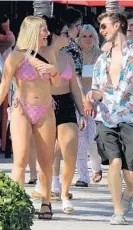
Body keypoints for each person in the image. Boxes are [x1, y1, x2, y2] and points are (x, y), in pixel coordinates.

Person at [86, 12, 133, 225]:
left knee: (129, 175)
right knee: (114, 162)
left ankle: (132, 190)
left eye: (104, 26)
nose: (101, 30)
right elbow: (98, 89)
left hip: (131, 117)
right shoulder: (102, 58)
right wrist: (92, 95)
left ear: (117, 25)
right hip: (106, 117)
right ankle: (118, 211)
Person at [0, 16, 60, 219]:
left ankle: (46, 201)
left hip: (45, 109)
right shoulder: (16, 56)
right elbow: (4, 86)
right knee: (21, 159)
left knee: (46, 160)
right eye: (43, 30)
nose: (47, 33)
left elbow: (56, 84)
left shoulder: (49, 52)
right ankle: (15, 203)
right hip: (21, 109)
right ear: (33, 31)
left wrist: (53, 72)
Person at [45, 15, 86, 213]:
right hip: (46, 105)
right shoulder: (40, 55)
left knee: (69, 148)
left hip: (66, 103)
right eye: (64, 33)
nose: (69, 36)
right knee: (47, 153)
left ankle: (64, 193)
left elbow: (75, 88)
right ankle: (47, 194)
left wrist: (82, 113)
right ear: (54, 35)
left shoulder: (67, 56)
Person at [76, 24, 103, 184]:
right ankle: (83, 176)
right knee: (80, 139)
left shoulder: (101, 56)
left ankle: (96, 167)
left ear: (95, 37)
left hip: (96, 99)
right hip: (78, 98)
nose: (87, 39)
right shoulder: (75, 56)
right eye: (84, 36)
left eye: (90, 36)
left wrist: (94, 97)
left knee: (93, 139)